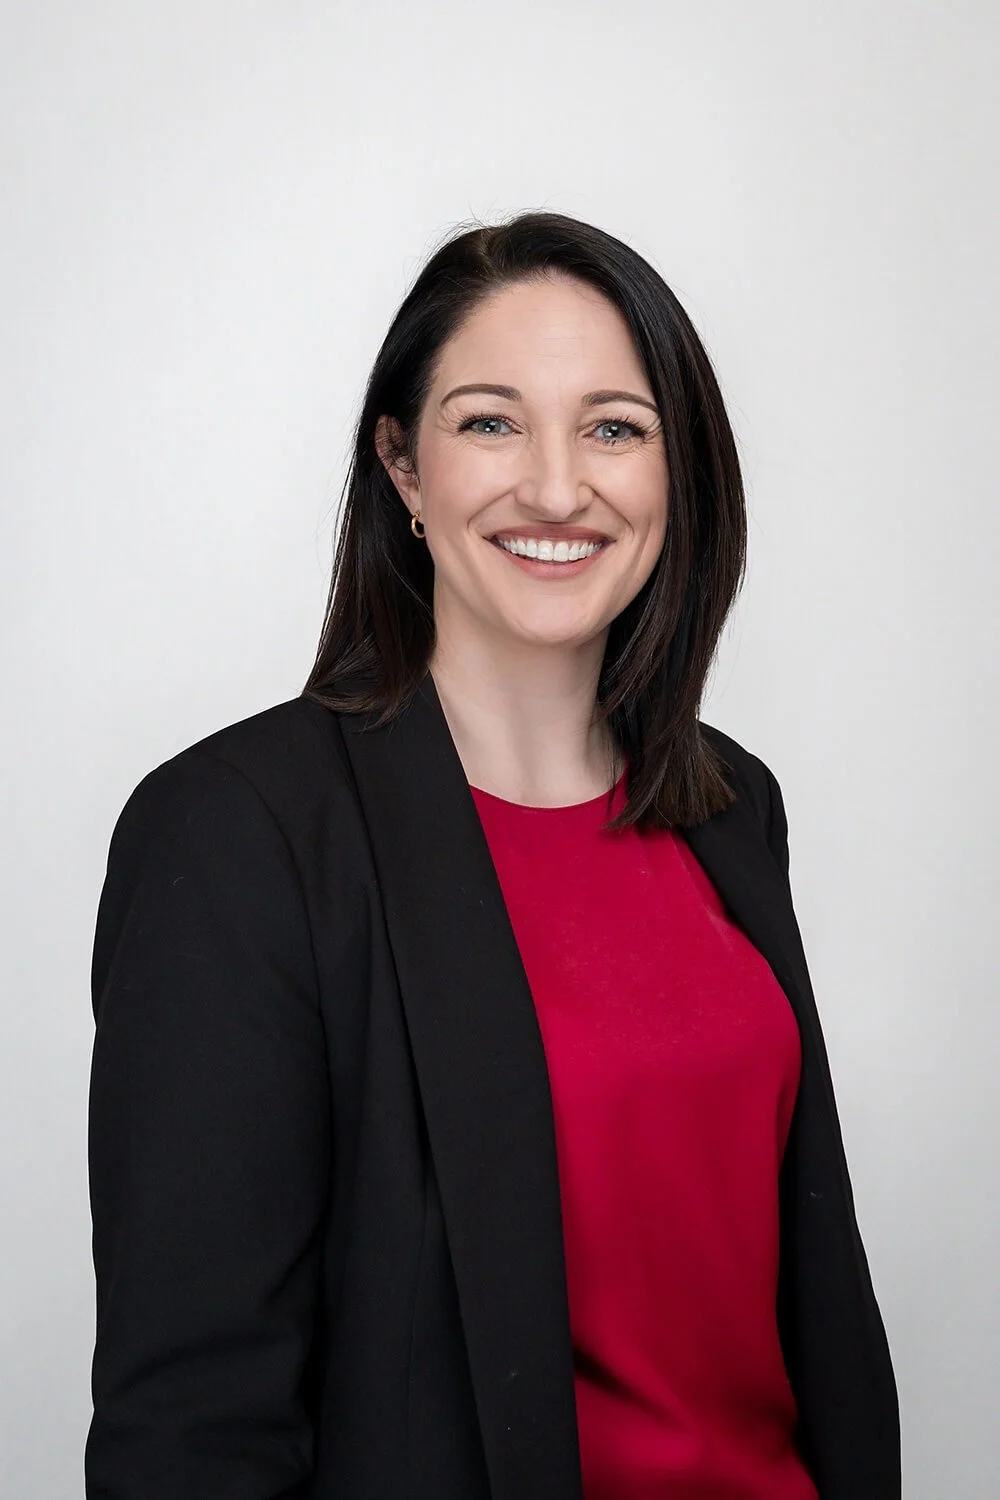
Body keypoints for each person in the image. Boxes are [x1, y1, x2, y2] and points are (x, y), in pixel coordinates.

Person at [85, 210, 901, 1499]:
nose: (559, 486)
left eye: (615, 427)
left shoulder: (733, 809)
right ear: (403, 468)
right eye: (490, 421)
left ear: (677, 472)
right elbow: (193, 1425)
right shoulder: (239, 833)